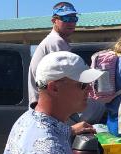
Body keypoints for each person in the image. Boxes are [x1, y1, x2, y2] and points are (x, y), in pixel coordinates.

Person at [27, 2, 95, 135]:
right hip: (49, 113)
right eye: (66, 18)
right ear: (54, 20)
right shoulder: (55, 42)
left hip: (44, 113)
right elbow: (67, 83)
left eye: (74, 18)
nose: (71, 22)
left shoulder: (56, 41)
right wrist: (70, 129)